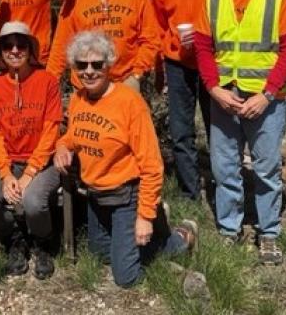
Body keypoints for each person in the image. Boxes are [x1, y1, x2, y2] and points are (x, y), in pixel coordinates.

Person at [193, 0, 286, 265]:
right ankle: (230, 229)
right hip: (225, 96)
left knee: (267, 169)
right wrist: (213, 89)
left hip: (265, 101)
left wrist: (267, 95)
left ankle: (268, 233)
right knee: (225, 168)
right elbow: (202, 46)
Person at [54, 31, 197, 288]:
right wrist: (61, 147)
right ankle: (153, 228)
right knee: (100, 254)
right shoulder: (78, 99)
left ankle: (179, 238)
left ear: (108, 66)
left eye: (97, 64)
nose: (89, 71)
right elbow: (71, 137)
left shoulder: (130, 102)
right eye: (81, 65)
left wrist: (142, 216)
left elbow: (152, 165)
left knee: (126, 278)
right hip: (96, 196)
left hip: (126, 196)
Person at [150, 0, 232, 200]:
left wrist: (204, 38)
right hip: (177, 63)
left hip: (215, 60)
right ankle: (189, 190)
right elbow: (158, 25)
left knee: (218, 128)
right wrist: (160, 66)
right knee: (181, 130)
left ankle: (224, 186)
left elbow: (234, 17)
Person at [0, 22, 62, 279]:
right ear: (0, 52)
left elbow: (51, 129)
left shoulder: (47, 82)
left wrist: (30, 171)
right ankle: (15, 238)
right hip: (10, 160)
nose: (15, 50)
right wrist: (5, 174)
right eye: (8, 45)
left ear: (30, 50)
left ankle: (42, 242)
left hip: (42, 161)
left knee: (33, 202)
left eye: (21, 44)